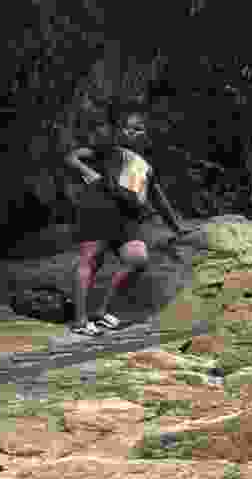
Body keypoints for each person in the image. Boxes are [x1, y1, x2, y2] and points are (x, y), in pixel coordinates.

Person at [65, 99, 192, 337]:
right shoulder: (107, 149)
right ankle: (80, 321)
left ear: (146, 133)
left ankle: (101, 312)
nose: (132, 133)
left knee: (137, 259)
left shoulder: (144, 166)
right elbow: (72, 157)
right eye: (128, 128)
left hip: (126, 219)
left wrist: (177, 227)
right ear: (119, 130)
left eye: (138, 129)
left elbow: (158, 198)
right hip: (98, 210)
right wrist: (88, 172)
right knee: (91, 259)